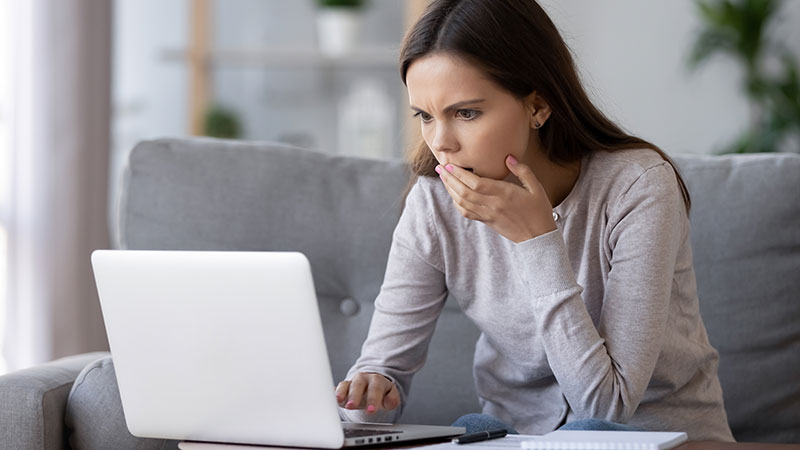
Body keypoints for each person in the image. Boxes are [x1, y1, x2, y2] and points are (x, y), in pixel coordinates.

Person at [334, 0, 735, 442]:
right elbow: (380, 374)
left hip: (653, 435)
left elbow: (606, 407)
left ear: (538, 106)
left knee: (588, 431)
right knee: (472, 430)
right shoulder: (434, 202)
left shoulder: (637, 186)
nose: (441, 143)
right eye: (425, 116)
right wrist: (371, 390)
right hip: (519, 437)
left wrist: (537, 240)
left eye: (466, 113)